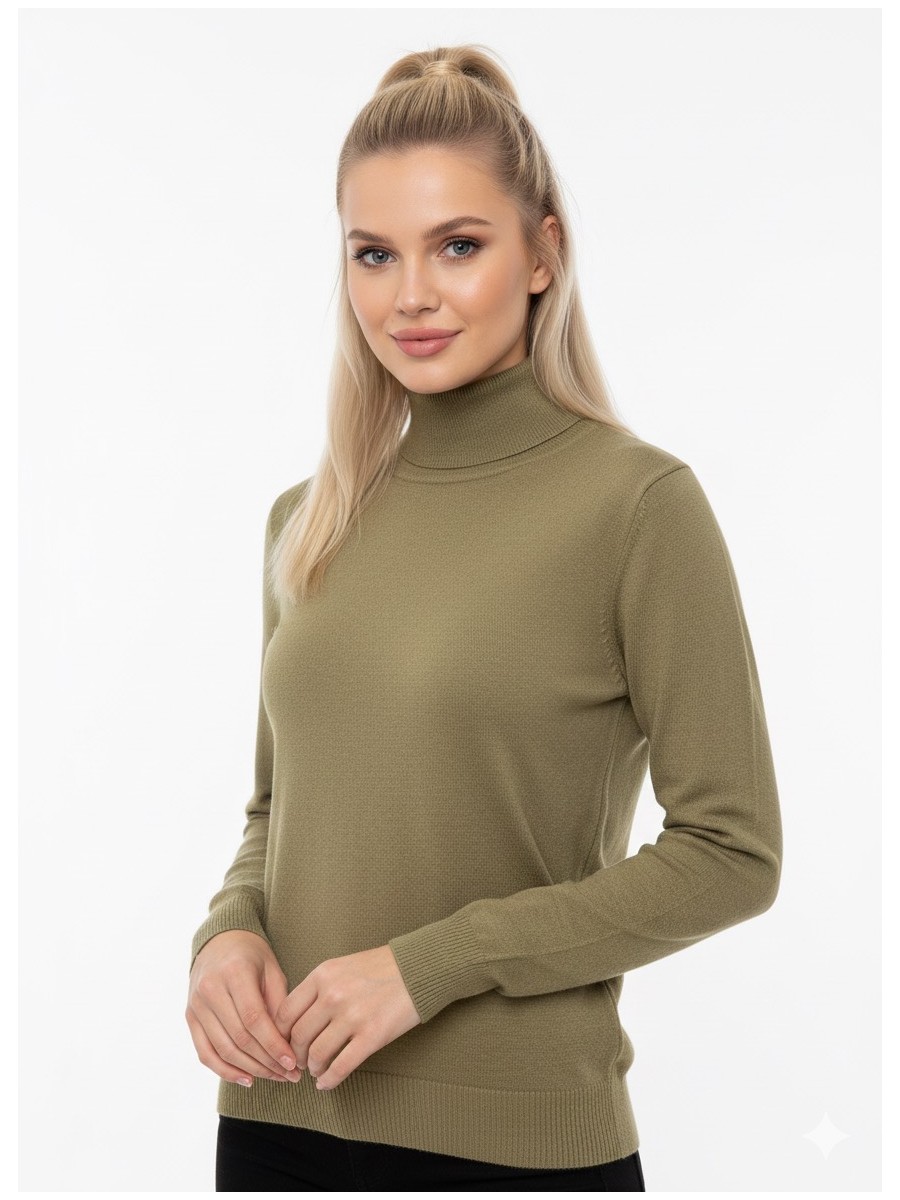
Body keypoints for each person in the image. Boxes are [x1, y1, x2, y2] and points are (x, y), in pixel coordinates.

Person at [186, 43, 783, 1192]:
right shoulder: (305, 520)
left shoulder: (636, 507)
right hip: (276, 1118)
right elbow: (279, 808)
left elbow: (732, 853)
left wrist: (434, 965)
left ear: (543, 253)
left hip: (511, 1141)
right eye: (374, 253)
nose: (409, 294)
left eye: (458, 245)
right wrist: (227, 932)